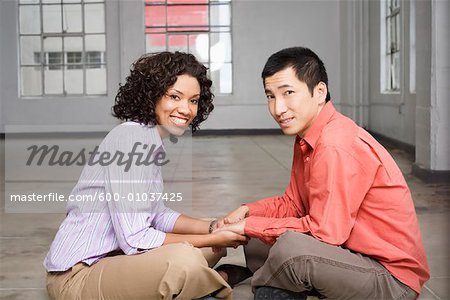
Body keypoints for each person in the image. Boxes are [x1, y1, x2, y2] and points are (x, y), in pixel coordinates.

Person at [214, 47, 429, 299]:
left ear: (319, 92)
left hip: (390, 279)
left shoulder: (335, 144)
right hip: (351, 254)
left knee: (289, 247)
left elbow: (326, 233)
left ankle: (265, 281)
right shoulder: (308, 135)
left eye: (288, 93)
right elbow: (293, 203)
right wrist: (248, 212)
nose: (277, 108)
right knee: (257, 235)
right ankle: (273, 277)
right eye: (270, 96)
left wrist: (250, 225)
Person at [44, 52, 248, 300]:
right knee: (186, 257)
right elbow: (135, 239)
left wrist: (212, 226)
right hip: (77, 276)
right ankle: (215, 283)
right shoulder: (132, 140)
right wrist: (210, 237)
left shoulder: (147, 139)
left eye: (193, 100)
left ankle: (195, 284)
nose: (186, 109)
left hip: (114, 259)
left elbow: (156, 214)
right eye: (175, 97)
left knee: (209, 245)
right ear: (152, 95)